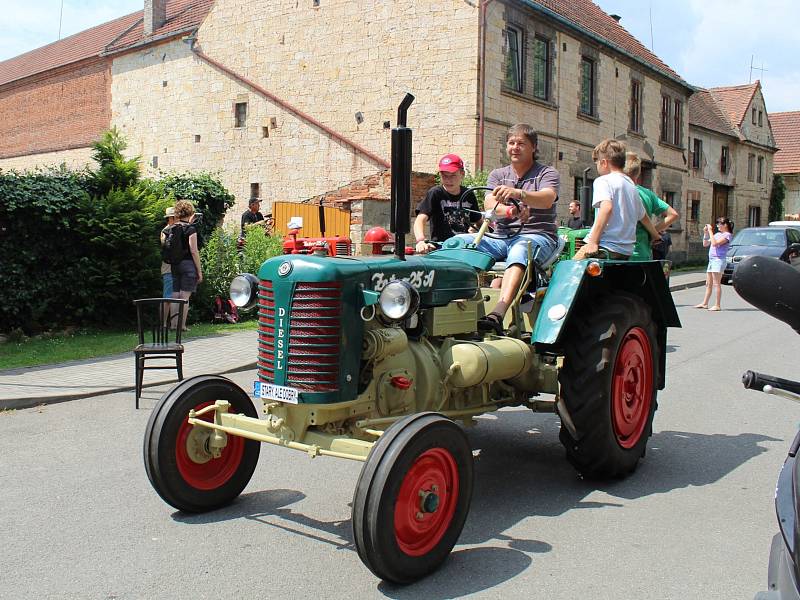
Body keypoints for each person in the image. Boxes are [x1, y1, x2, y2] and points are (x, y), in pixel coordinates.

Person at [454, 124, 560, 333]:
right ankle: (455, 302)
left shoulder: (547, 173)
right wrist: (512, 212)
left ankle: (498, 312)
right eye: (511, 143)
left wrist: (519, 194)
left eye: (521, 143)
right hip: (500, 237)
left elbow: (547, 199)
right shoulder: (498, 175)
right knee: (457, 243)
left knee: (520, 249)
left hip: (539, 236)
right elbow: (489, 205)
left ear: (533, 147)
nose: (515, 147)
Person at [574, 140, 660, 261]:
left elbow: (607, 208)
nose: (597, 166)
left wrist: (593, 241)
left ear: (604, 163)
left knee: (565, 272)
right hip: (626, 251)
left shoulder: (603, 180)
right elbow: (643, 216)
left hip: (606, 246)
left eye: (597, 163)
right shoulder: (631, 185)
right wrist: (655, 235)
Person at [414, 154, 481, 254]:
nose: (448, 180)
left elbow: (480, 222)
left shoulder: (468, 195)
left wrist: (479, 233)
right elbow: (420, 220)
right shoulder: (435, 193)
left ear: (462, 174)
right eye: (444, 175)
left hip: (463, 248)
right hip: (441, 248)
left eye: (453, 175)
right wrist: (420, 241)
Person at [624, 152, 680, 261]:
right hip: (643, 253)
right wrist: (653, 231)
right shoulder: (647, 194)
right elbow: (673, 214)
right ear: (638, 173)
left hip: (622, 253)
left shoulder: (619, 190)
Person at [171, 200, 203, 331]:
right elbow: (194, 251)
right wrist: (199, 271)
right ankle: (182, 326)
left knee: (175, 295)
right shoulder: (190, 229)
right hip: (188, 265)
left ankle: (173, 325)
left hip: (175, 264)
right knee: (184, 297)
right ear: (190, 212)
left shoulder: (171, 228)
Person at [695, 217, 734, 311]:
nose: (717, 225)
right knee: (708, 283)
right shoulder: (717, 234)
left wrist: (710, 231)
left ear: (725, 225)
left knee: (717, 284)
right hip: (712, 260)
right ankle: (705, 303)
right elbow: (705, 244)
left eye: (719, 223)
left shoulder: (727, 235)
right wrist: (706, 233)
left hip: (719, 260)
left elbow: (715, 243)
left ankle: (717, 305)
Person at [160, 206, 176, 298]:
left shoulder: (168, 231)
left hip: (172, 267)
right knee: (168, 296)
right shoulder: (166, 231)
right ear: (170, 218)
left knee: (172, 296)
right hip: (168, 267)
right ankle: (164, 313)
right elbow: (165, 247)